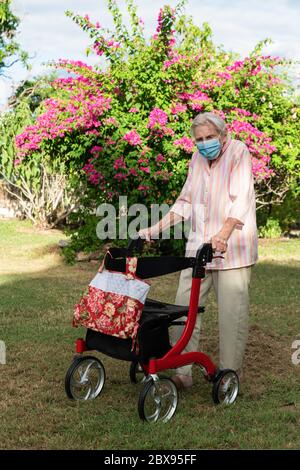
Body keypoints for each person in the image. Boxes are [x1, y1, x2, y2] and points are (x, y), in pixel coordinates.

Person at [138, 111, 258, 390]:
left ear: (223, 135)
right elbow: (185, 201)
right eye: (199, 140)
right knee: (182, 309)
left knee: (232, 314)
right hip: (198, 248)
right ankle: (182, 371)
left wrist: (224, 233)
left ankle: (230, 375)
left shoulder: (238, 152)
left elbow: (242, 197)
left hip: (232, 248)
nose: (204, 144)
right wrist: (154, 230)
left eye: (209, 138)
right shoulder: (196, 158)